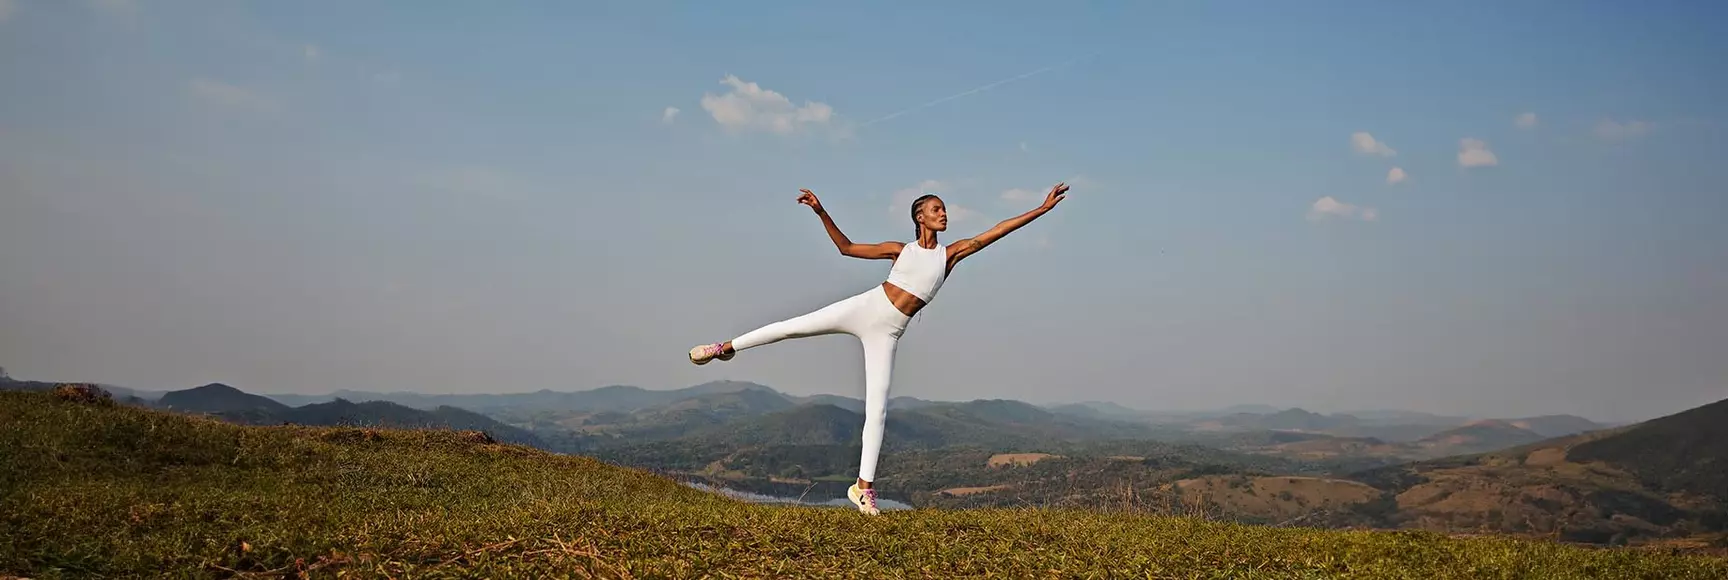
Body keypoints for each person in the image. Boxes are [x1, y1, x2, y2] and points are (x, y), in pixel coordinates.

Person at [686, 182, 1070, 515]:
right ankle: (724, 347)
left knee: (878, 408)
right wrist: (821, 212)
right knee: (791, 327)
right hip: (865, 307)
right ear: (920, 216)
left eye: (945, 210)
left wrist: (1042, 208)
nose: (944, 215)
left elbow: (998, 230)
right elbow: (846, 248)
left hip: (887, 332)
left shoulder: (949, 254)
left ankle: (862, 488)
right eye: (937, 210)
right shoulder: (899, 250)